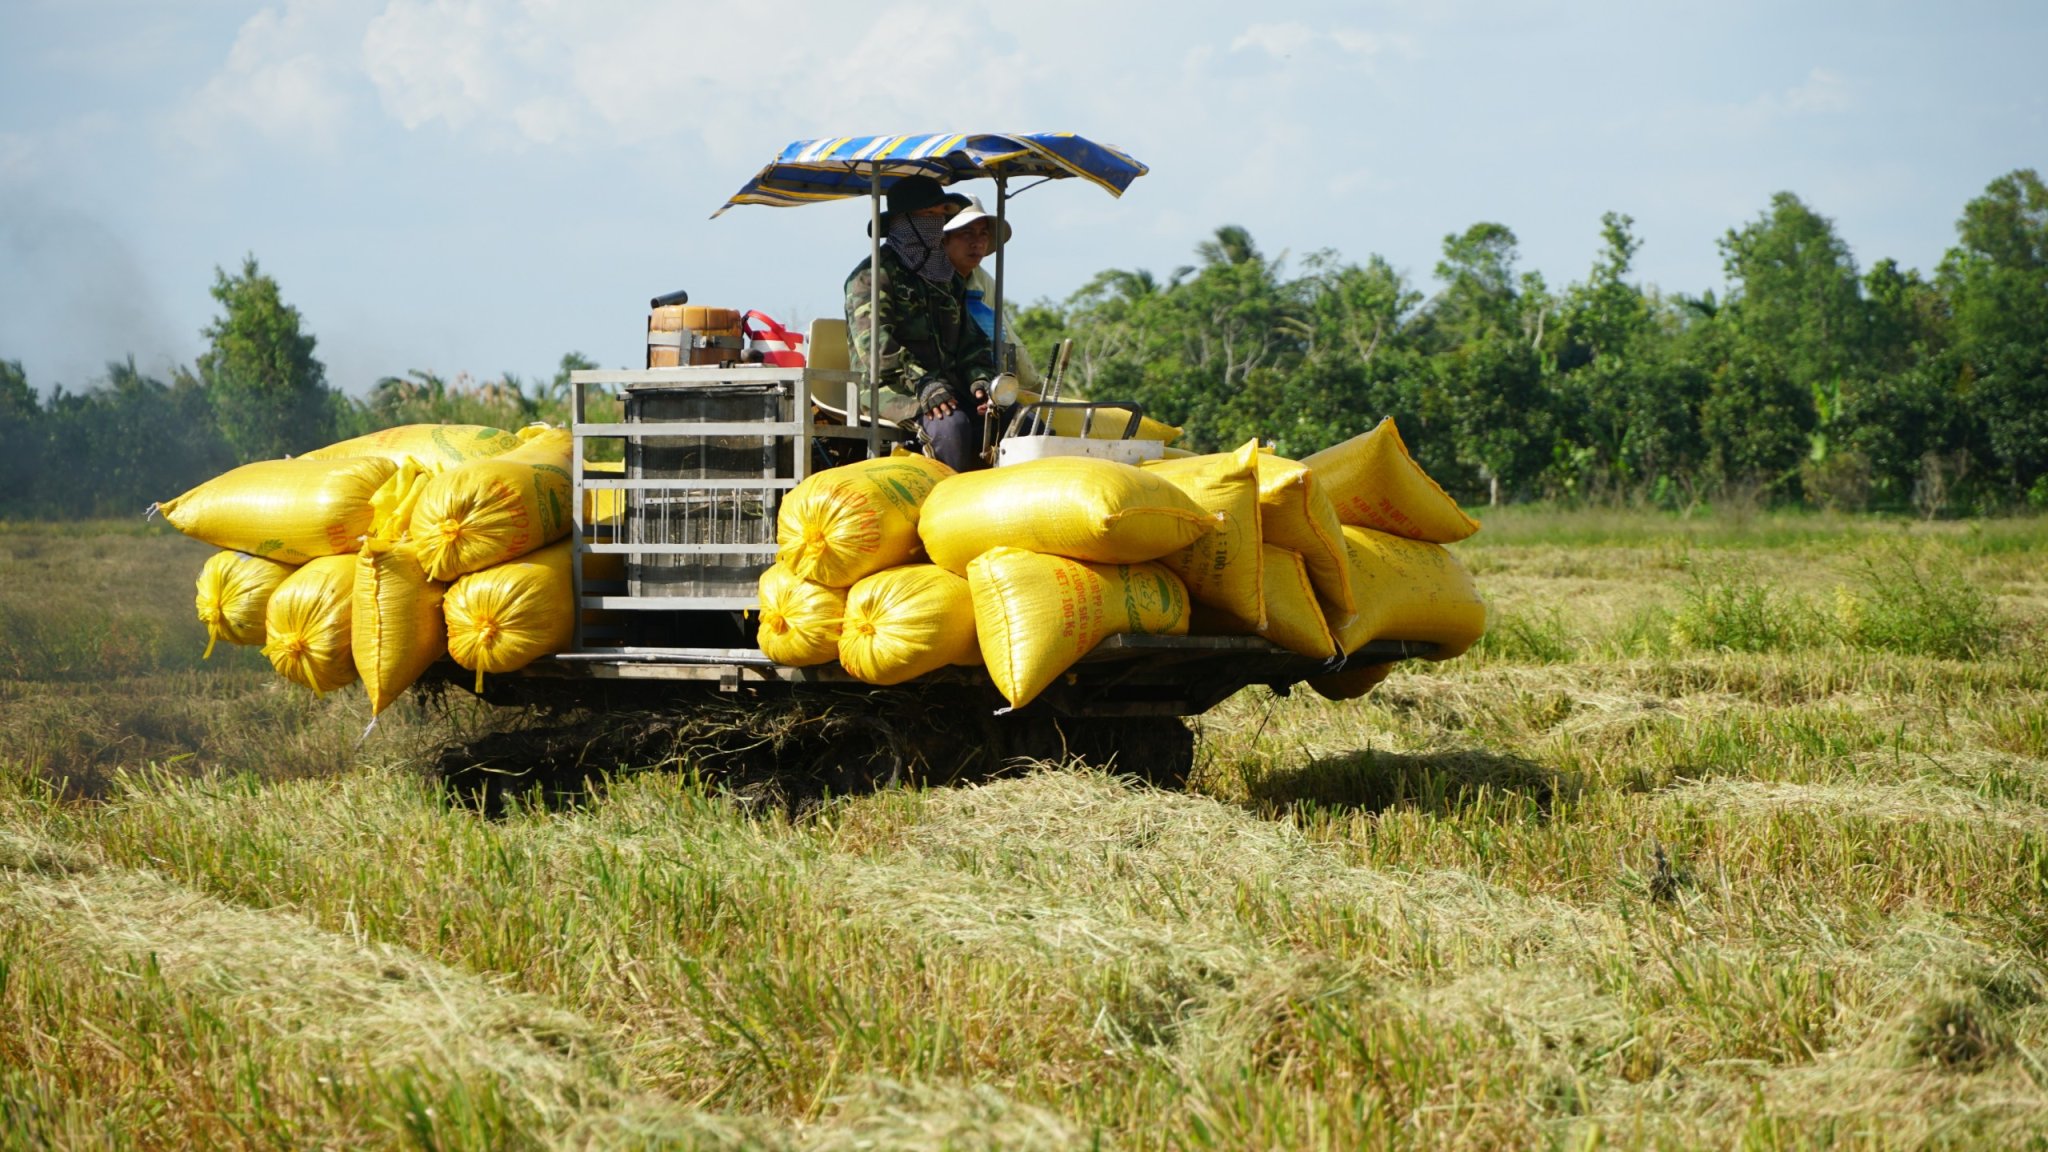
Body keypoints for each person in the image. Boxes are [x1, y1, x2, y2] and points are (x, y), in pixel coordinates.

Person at [844, 175, 995, 472]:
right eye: (928, 215)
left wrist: (981, 380)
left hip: (948, 388)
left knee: (1018, 419)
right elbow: (878, 352)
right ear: (903, 221)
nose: (937, 223)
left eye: (941, 215)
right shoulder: (871, 277)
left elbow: (970, 341)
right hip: (891, 389)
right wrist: (923, 383)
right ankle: (947, 508)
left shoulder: (945, 276)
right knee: (952, 427)